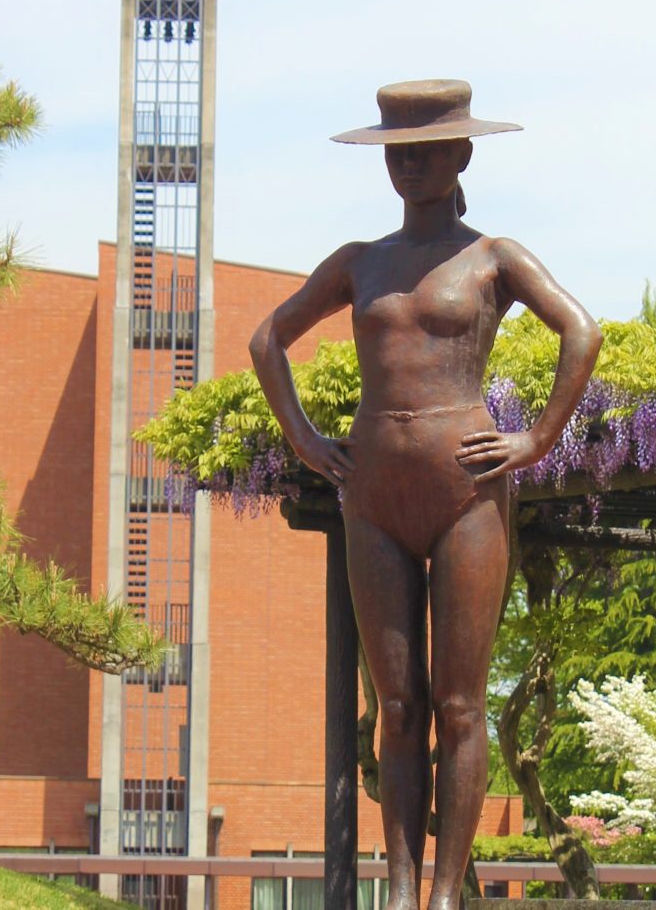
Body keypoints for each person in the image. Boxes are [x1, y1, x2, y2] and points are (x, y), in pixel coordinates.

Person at [249, 79, 601, 910]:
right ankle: (401, 890)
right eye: (396, 153)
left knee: (459, 704)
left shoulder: (493, 258)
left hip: (465, 492)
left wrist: (535, 440)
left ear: (462, 155)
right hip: (373, 494)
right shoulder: (359, 262)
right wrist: (304, 439)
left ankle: (445, 894)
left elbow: (580, 331)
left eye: (426, 151)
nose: (408, 166)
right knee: (399, 704)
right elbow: (269, 339)